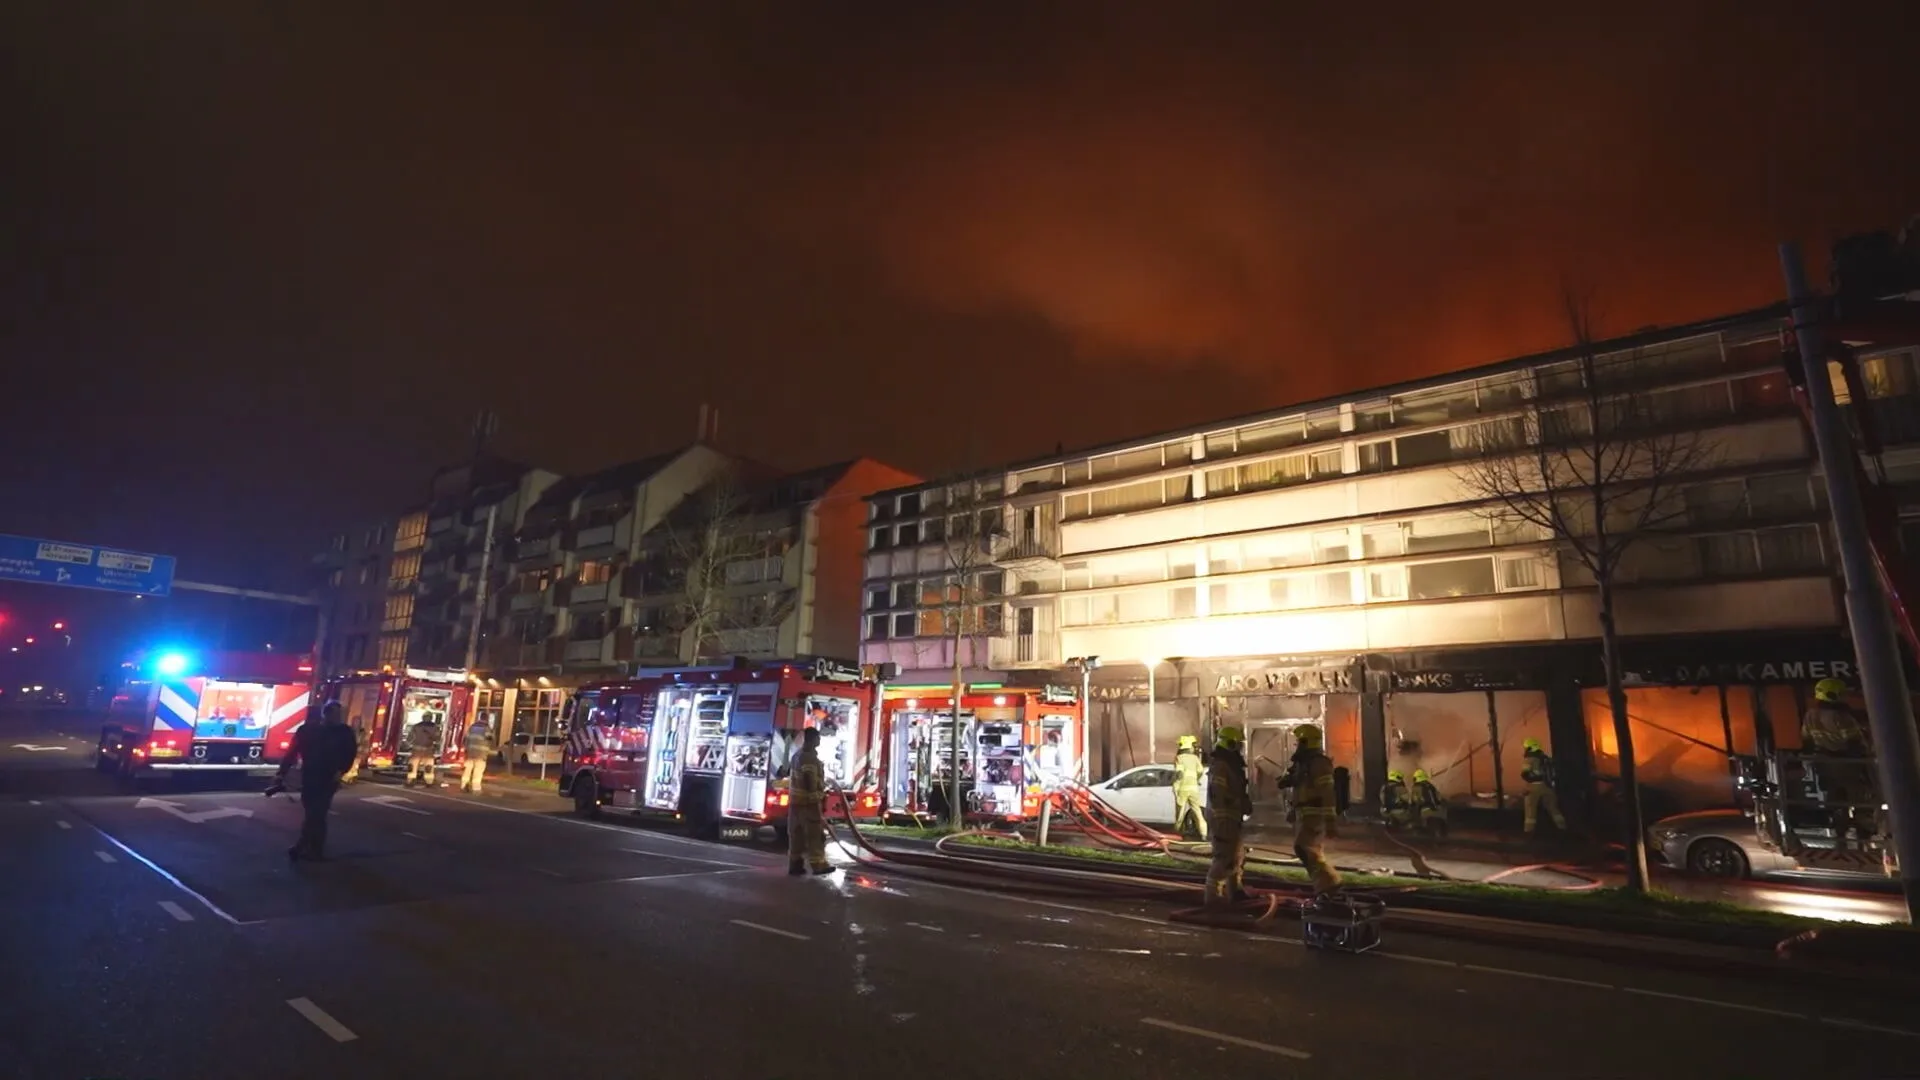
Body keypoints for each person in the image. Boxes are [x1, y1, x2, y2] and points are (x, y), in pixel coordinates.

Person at [278, 701, 358, 861]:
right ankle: (310, 846)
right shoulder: (310, 730)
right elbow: (292, 752)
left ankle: (309, 847)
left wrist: (341, 771)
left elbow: (350, 754)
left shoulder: (343, 732)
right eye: (333, 714)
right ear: (326, 714)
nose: (336, 717)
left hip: (328, 777)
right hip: (310, 775)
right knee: (312, 812)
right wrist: (282, 773)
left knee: (317, 812)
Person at [1289, 726, 1341, 894]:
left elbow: (1327, 792)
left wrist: (1330, 821)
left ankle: (1329, 884)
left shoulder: (1319, 763)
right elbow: (1301, 790)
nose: (1297, 745)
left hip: (1315, 815)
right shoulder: (1305, 763)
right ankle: (1326, 885)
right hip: (1305, 815)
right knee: (1307, 850)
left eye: (1299, 742)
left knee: (1306, 849)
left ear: (1307, 742)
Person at [1203, 726, 1251, 908]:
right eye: (1238, 744)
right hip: (1223, 818)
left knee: (1236, 855)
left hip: (1232, 816)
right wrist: (1234, 807)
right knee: (1224, 857)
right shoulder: (1221, 766)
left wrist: (1243, 803)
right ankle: (1213, 896)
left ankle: (1235, 890)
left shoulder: (1230, 764)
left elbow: (1235, 790)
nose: (1240, 748)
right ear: (1230, 744)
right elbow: (1219, 794)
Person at [788, 728, 832, 875]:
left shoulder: (796, 756)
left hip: (795, 803)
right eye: (818, 738)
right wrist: (817, 799)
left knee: (797, 836)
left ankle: (795, 865)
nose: (819, 741)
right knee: (815, 835)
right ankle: (819, 865)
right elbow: (810, 780)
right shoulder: (809, 758)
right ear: (813, 740)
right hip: (809, 803)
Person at [1521, 737, 1566, 835]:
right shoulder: (1545, 758)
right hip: (1548, 786)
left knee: (1530, 811)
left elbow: (1525, 774)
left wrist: (1529, 784)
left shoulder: (1529, 759)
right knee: (1553, 808)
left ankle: (1528, 832)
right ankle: (1562, 827)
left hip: (1534, 787)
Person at [1172, 734, 1208, 840]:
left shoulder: (1179, 758)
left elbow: (1179, 773)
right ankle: (1203, 834)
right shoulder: (1195, 758)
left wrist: (1175, 784)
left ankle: (1177, 834)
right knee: (1197, 812)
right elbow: (1201, 771)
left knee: (1180, 814)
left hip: (1182, 789)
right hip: (1194, 789)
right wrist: (1196, 780)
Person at [1411, 768, 1448, 837]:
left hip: (1423, 811)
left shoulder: (1415, 787)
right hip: (1436, 810)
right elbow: (1438, 798)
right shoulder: (1430, 786)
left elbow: (1414, 801)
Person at [404, 717, 440, 788]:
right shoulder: (435, 727)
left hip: (417, 750)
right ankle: (429, 782)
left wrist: (407, 745)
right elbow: (437, 738)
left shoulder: (416, 726)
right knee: (428, 767)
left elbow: (411, 737)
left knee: (412, 766)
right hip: (428, 750)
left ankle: (410, 781)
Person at [460, 720, 494, 793]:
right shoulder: (487, 728)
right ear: (486, 718)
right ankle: (476, 788)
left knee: (467, 770)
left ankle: (463, 785)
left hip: (470, 753)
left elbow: (465, 739)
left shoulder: (472, 727)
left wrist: (466, 749)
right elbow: (490, 739)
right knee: (478, 771)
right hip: (481, 754)